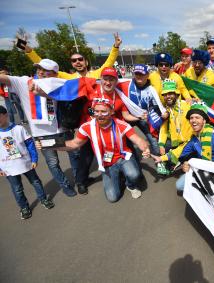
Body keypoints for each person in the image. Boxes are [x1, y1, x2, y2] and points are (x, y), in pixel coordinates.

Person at [38, 98, 150, 203]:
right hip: (107, 164)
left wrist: (144, 148)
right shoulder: (87, 127)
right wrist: (47, 144)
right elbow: (74, 143)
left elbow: (138, 140)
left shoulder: (121, 124)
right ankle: (117, 177)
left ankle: (130, 185)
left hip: (123, 158)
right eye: (96, 111)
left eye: (103, 111)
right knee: (112, 197)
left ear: (111, 112)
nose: (99, 115)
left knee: (134, 175)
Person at [0, 59, 78, 197]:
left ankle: (80, 180)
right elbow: (4, 78)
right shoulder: (24, 82)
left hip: (63, 128)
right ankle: (65, 185)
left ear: (54, 73)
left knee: (75, 155)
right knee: (53, 163)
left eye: (45, 70)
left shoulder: (59, 84)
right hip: (42, 133)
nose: (40, 72)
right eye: (38, 68)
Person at [153, 102, 214, 193]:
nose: (193, 120)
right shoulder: (194, 139)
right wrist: (161, 158)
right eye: (191, 118)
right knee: (179, 185)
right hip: (203, 169)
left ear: (204, 120)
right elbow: (180, 151)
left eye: (197, 117)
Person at [0, 105, 54, 220]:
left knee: (35, 182)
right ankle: (24, 207)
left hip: (25, 163)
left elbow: (30, 144)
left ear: (5, 115)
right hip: (8, 167)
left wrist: (34, 159)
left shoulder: (18, 129)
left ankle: (43, 199)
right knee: (17, 188)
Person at [117, 64, 168, 156]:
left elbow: (157, 106)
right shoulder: (125, 83)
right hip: (127, 117)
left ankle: (159, 159)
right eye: (137, 74)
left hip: (144, 118)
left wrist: (162, 114)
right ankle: (131, 157)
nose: (139, 76)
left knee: (153, 141)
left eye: (142, 74)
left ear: (147, 75)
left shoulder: (152, 89)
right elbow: (107, 82)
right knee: (123, 139)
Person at [23, 33, 122, 79]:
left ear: (86, 62)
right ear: (72, 64)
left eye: (80, 59)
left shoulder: (97, 74)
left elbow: (109, 62)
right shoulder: (68, 77)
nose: (77, 62)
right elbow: (44, 64)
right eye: (74, 61)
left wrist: (116, 46)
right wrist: (27, 50)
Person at [156, 80, 193, 173]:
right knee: (160, 148)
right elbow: (163, 129)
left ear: (176, 94)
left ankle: (180, 160)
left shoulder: (188, 105)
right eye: (165, 94)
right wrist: (161, 145)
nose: (168, 96)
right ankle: (176, 160)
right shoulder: (167, 111)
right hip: (176, 143)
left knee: (186, 165)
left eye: (170, 93)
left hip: (190, 142)